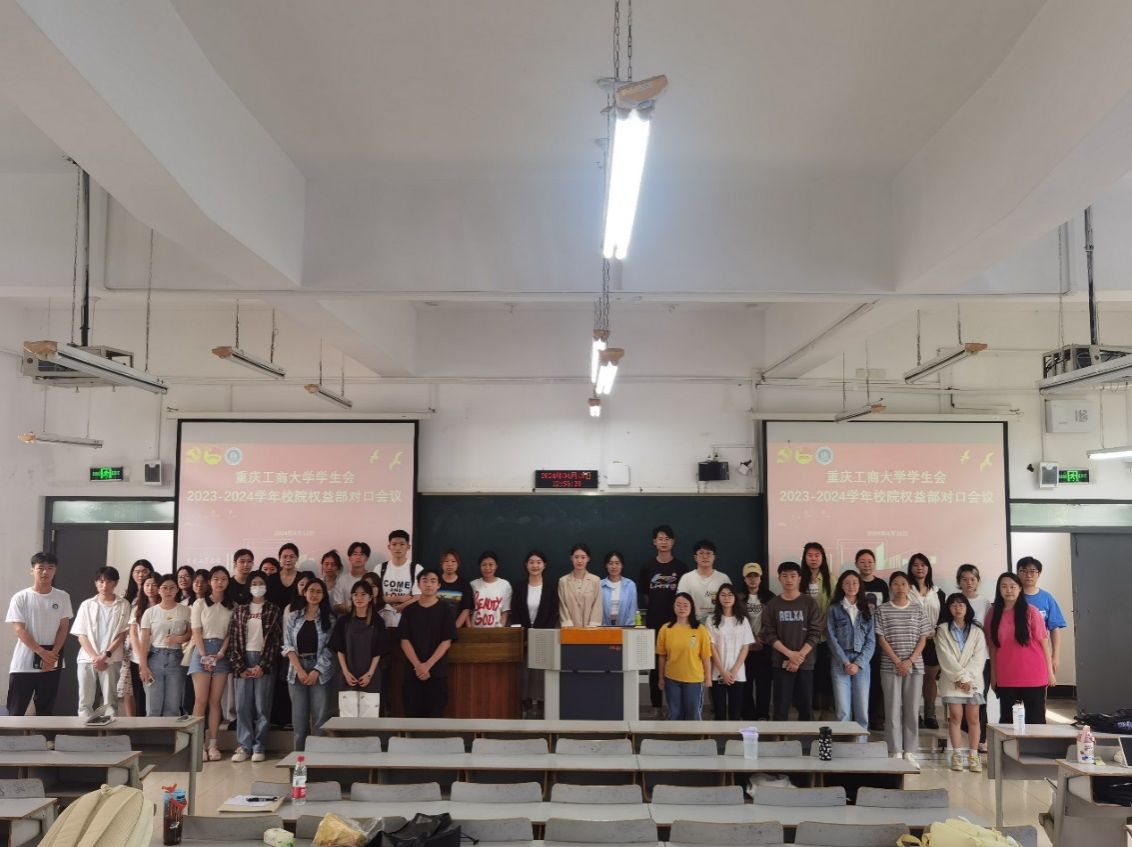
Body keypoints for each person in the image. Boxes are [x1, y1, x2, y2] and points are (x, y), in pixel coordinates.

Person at [875, 571, 932, 760]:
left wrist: (909, 661)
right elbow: (881, 638)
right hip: (889, 666)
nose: (900, 587)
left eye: (903, 584)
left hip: (914, 666)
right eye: (896, 583)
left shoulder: (918, 609)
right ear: (891, 586)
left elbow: (923, 638)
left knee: (912, 709)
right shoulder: (882, 609)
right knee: (892, 709)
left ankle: (910, 750)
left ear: (909, 587)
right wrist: (898, 662)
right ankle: (896, 750)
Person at [228, 571, 282, 762]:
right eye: (254, 583)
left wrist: (263, 666)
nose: (257, 586)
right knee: (242, 706)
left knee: (262, 707)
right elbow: (233, 640)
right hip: (243, 659)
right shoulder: (240, 610)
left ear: (266, 586)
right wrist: (240, 667)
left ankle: (259, 746)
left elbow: (275, 641)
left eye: (261, 583)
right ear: (249, 587)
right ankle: (244, 746)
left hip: (263, 660)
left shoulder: (274, 610)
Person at [987, 572, 1054, 726]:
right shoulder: (993, 613)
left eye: (1013, 586)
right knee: (1008, 723)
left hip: (1034, 676)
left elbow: (1044, 644)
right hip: (1006, 676)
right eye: (1004, 586)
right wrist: (993, 676)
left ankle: (1036, 744)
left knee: (1036, 721)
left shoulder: (1031, 611)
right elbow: (992, 648)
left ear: (1019, 589)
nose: (1008, 590)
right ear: (998, 589)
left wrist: (1050, 672)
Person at [637, 525, 688, 717]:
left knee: (676, 663)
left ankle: (676, 707)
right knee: (655, 665)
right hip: (654, 623)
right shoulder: (647, 567)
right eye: (660, 538)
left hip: (677, 624)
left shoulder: (682, 568)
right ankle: (656, 706)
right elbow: (645, 595)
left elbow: (685, 598)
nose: (664, 542)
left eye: (667, 538)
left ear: (673, 542)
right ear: (654, 542)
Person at [762, 561, 822, 721]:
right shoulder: (772, 605)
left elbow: (815, 632)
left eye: (793, 576)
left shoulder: (809, 602)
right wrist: (790, 655)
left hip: (805, 663)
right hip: (781, 662)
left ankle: (806, 738)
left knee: (805, 708)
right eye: (785, 576)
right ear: (779, 579)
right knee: (780, 709)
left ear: (799, 578)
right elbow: (769, 634)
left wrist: (798, 657)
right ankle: (781, 737)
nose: (789, 579)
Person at [936, 593, 988, 773]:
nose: (957, 608)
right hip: (953, 681)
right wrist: (961, 678)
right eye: (953, 605)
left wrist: (967, 679)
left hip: (973, 681)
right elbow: (945, 657)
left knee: (973, 718)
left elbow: (979, 658)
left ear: (967, 607)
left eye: (961, 605)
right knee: (956, 716)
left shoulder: (977, 630)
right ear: (948, 608)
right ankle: (956, 754)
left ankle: (973, 755)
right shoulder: (942, 630)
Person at [282, 577, 336, 749]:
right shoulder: (293, 616)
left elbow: (330, 649)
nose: (314, 594)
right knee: (299, 721)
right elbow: (287, 645)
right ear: (304, 592)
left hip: (320, 672)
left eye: (319, 592)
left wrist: (316, 671)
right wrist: (299, 670)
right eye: (311, 590)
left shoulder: (329, 619)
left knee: (320, 720)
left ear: (323, 595)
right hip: (296, 671)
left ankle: (318, 759)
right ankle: (300, 761)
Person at [71, 566, 131, 720]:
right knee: (84, 702)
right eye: (101, 581)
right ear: (96, 583)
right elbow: (81, 635)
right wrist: (95, 657)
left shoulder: (124, 604)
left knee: (110, 702)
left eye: (109, 582)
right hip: (87, 658)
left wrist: (105, 655)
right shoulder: (87, 604)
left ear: (115, 583)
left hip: (112, 658)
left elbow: (122, 634)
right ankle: (85, 731)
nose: (104, 586)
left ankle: (109, 731)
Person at [190, 566, 235, 761]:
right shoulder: (199, 603)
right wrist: (204, 655)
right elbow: (196, 631)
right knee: (200, 701)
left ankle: (213, 745)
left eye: (223, 579)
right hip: (201, 650)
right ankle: (198, 745)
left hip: (221, 654)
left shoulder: (231, 605)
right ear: (209, 582)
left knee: (215, 702)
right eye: (216, 578)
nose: (220, 582)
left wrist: (221, 653)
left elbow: (230, 634)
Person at [399, 570, 458, 717]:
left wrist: (427, 665)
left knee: (435, 717)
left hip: (436, 672)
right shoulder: (409, 610)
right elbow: (404, 640)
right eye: (424, 580)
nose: (429, 584)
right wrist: (418, 665)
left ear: (438, 585)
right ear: (419, 584)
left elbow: (447, 641)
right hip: (413, 673)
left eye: (433, 581)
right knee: (412, 716)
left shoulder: (446, 609)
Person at [826, 569, 874, 730]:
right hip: (840, 661)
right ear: (841, 586)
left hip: (862, 662)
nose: (851, 586)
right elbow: (831, 638)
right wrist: (845, 662)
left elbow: (871, 641)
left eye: (854, 583)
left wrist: (858, 663)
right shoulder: (834, 609)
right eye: (847, 583)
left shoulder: (867, 609)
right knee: (843, 710)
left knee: (862, 709)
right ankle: (843, 742)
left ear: (860, 586)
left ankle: (860, 742)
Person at [512, 549, 558, 716]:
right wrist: (522, 633)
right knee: (524, 671)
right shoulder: (519, 587)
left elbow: (553, 613)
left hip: (543, 636)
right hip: (523, 636)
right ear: (526, 565)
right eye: (531, 562)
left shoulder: (551, 588)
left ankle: (541, 704)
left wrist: (542, 634)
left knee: (540, 672)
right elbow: (515, 612)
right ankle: (524, 704)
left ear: (544, 565)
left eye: (538, 562)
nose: (535, 565)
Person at [138, 574, 192, 716]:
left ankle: (170, 731)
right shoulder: (150, 612)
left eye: (172, 588)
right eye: (164, 588)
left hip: (176, 658)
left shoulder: (185, 610)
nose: (168, 591)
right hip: (155, 658)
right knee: (153, 706)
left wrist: (178, 638)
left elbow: (190, 634)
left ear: (177, 589)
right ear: (159, 590)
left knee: (172, 706)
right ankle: (153, 731)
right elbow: (144, 641)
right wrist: (143, 666)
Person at [330, 580, 389, 709]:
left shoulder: (377, 622)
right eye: (355, 594)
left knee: (369, 717)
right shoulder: (343, 621)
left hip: (370, 677)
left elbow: (378, 651)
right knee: (348, 717)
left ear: (370, 598)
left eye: (363, 594)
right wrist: (346, 672)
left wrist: (369, 674)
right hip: (347, 676)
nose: (359, 598)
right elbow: (340, 649)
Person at [656, 592, 712, 720]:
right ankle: (675, 734)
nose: (682, 608)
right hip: (672, 678)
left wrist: (708, 678)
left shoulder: (700, 629)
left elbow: (706, 656)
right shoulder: (665, 629)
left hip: (693, 679)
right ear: (673, 607)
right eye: (678, 605)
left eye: (686, 605)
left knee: (693, 714)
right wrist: (661, 678)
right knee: (675, 714)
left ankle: (695, 734)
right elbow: (662, 656)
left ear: (691, 608)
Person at [908, 553, 946, 730]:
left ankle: (930, 714)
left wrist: (936, 630)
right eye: (915, 565)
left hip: (932, 641)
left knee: (930, 678)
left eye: (923, 565)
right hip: (911, 641)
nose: (919, 568)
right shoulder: (905, 589)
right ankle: (914, 714)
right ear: (910, 568)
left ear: (928, 568)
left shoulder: (938, 592)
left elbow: (944, 617)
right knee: (913, 679)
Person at [957, 563, 991, 753]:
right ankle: (964, 738)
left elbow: (990, 630)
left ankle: (981, 739)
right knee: (959, 699)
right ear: (959, 582)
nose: (969, 583)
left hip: (982, 658)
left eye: (973, 579)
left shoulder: (985, 603)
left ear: (978, 581)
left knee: (979, 698)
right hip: (959, 660)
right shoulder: (955, 601)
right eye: (964, 579)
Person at [706, 584, 754, 719]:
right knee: (719, 713)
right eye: (723, 595)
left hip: (737, 673)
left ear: (735, 598)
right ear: (718, 598)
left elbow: (745, 646)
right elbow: (711, 646)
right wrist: (722, 671)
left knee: (735, 713)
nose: (726, 598)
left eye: (730, 595)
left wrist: (734, 671)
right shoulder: (711, 619)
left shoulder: (742, 620)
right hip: (717, 672)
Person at [1016, 556, 1068, 676]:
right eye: (1024, 571)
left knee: (1040, 684)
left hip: (1040, 652)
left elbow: (1054, 628)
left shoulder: (1047, 598)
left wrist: (1055, 655)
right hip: (1016, 654)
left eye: (1032, 571)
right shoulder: (1012, 597)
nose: (1028, 575)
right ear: (1017, 573)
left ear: (1039, 574)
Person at [855, 548, 889, 731]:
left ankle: (877, 718)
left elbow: (886, 609)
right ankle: (859, 717)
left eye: (870, 561)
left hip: (877, 637)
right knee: (859, 676)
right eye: (862, 561)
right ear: (856, 564)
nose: (866, 565)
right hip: (857, 637)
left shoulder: (882, 585)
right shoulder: (853, 582)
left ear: (875, 564)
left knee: (876, 678)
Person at [737, 562, 774, 720]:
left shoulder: (770, 597)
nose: (752, 580)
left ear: (761, 578)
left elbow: (772, 621)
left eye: (756, 576)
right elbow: (737, 621)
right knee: (745, 682)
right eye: (749, 576)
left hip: (765, 646)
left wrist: (761, 637)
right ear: (744, 579)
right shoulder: (738, 598)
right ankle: (748, 715)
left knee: (764, 683)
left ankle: (763, 715)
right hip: (744, 647)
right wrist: (750, 639)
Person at [801, 542, 834, 716]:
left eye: (817, 555)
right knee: (807, 673)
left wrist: (823, 624)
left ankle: (824, 710)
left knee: (823, 671)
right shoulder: (799, 578)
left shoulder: (830, 579)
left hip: (824, 634)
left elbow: (834, 604)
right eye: (810, 555)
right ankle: (808, 710)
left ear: (823, 558)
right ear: (805, 558)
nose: (813, 559)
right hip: (803, 635)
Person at [127, 573, 160, 718]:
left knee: (155, 695)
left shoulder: (164, 607)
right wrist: (141, 657)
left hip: (158, 656)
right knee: (140, 696)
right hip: (138, 658)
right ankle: (141, 727)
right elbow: (133, 634)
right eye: (147, 585)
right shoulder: (137, 608)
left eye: (154, 585)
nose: (150, 588)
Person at [677, 540, 731, 622]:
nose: (705, 557)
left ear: (714, 557)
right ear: (695, 557)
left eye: (708, 553)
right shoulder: (686, 578)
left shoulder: (723, 578)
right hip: (693, 624)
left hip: (718, 623)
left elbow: (731, 603)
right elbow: (680, 603)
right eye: (701, 553)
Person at [378, 530, 421, 628]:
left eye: (402, 544)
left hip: (408, 621)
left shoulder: (417, 569)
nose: (397, 548)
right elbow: (374, 596)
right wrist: (398, 599)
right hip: (382, 622)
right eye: (394, 544)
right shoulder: (380, 568)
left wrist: (399, 607)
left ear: (408, 547)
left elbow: (418, 597)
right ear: (389, 546)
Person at [558, 543, 602, 627]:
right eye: (576, 557)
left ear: (588, 559)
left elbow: (597, 606)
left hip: (590, 630)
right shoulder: (563, 581)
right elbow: (562, 606)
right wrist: (569, 627)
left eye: (583, 557)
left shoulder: (595, 580)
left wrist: (592, 627)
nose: (579, 560)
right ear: (571, 558)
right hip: (570, 629)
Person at [470, 551, 512, 627]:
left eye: (491, 564)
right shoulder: (473, 585)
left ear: (496, 566)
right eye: (484, 565)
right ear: (480, 566)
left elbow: (505, 611)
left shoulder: (504, 585)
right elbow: (468, 610)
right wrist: (470, 629)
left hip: (496, 630)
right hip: (476, 630)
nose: (487, 568)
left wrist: (500, 629)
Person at [436, 550, 474, 628]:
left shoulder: (464, 584)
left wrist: (454, 628)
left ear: (458, 564)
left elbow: (466, 609)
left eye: (453, 561)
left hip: (457, 629)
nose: (450, 564)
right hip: (436, 627)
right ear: (441, 564)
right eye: (446, 561)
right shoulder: (435, 582)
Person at [601, 551, 638, 626]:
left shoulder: (630, 585)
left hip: (625, 627)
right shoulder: (600, 585)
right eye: (610, 563)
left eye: (617, 563)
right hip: (603, 627)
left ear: (622, 565)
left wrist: (627, 629)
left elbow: (632, 610)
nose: (614, 566)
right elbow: (597, 611)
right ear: (606, 565)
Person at [266, 543, 300, 608]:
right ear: (280, 559)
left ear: (297, 558)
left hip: (296, 614)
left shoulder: (302, 578)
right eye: (285, 557)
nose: (288, 560)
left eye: (291, 557)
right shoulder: (272, 578)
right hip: (274, 613)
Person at [322, 550, 353, 615]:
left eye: (333, 564)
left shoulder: (344, 584)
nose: (329, 567)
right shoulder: (318, 583)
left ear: (338, 567)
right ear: (322, 565)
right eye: (326, 564)